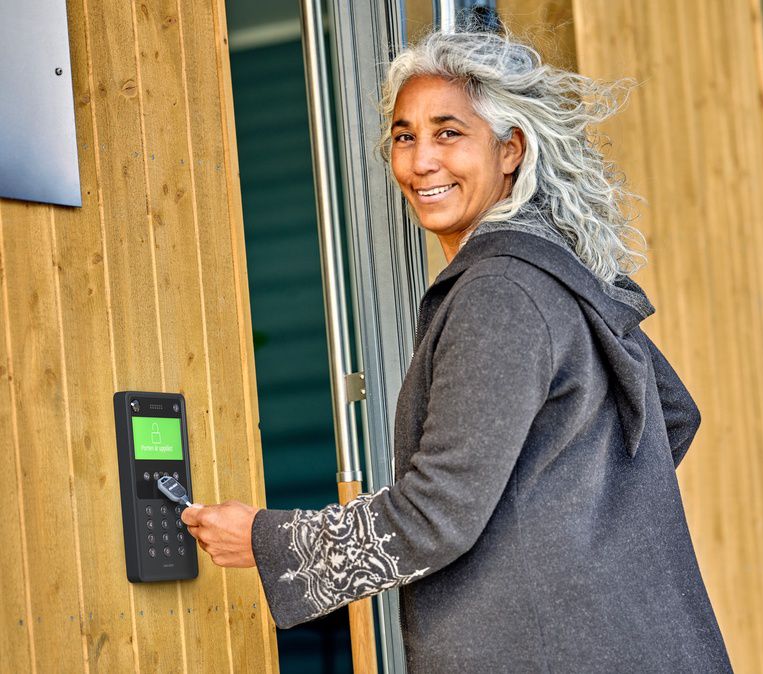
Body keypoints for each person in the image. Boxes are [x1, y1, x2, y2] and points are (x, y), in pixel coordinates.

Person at [182, 29, 731, 672]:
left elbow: (437, 513)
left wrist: (265, 540)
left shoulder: (499, 291)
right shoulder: (555, 271)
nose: (420, 162)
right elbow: (671, 416)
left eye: (448, 133)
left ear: (509, 151)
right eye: (404, 135)